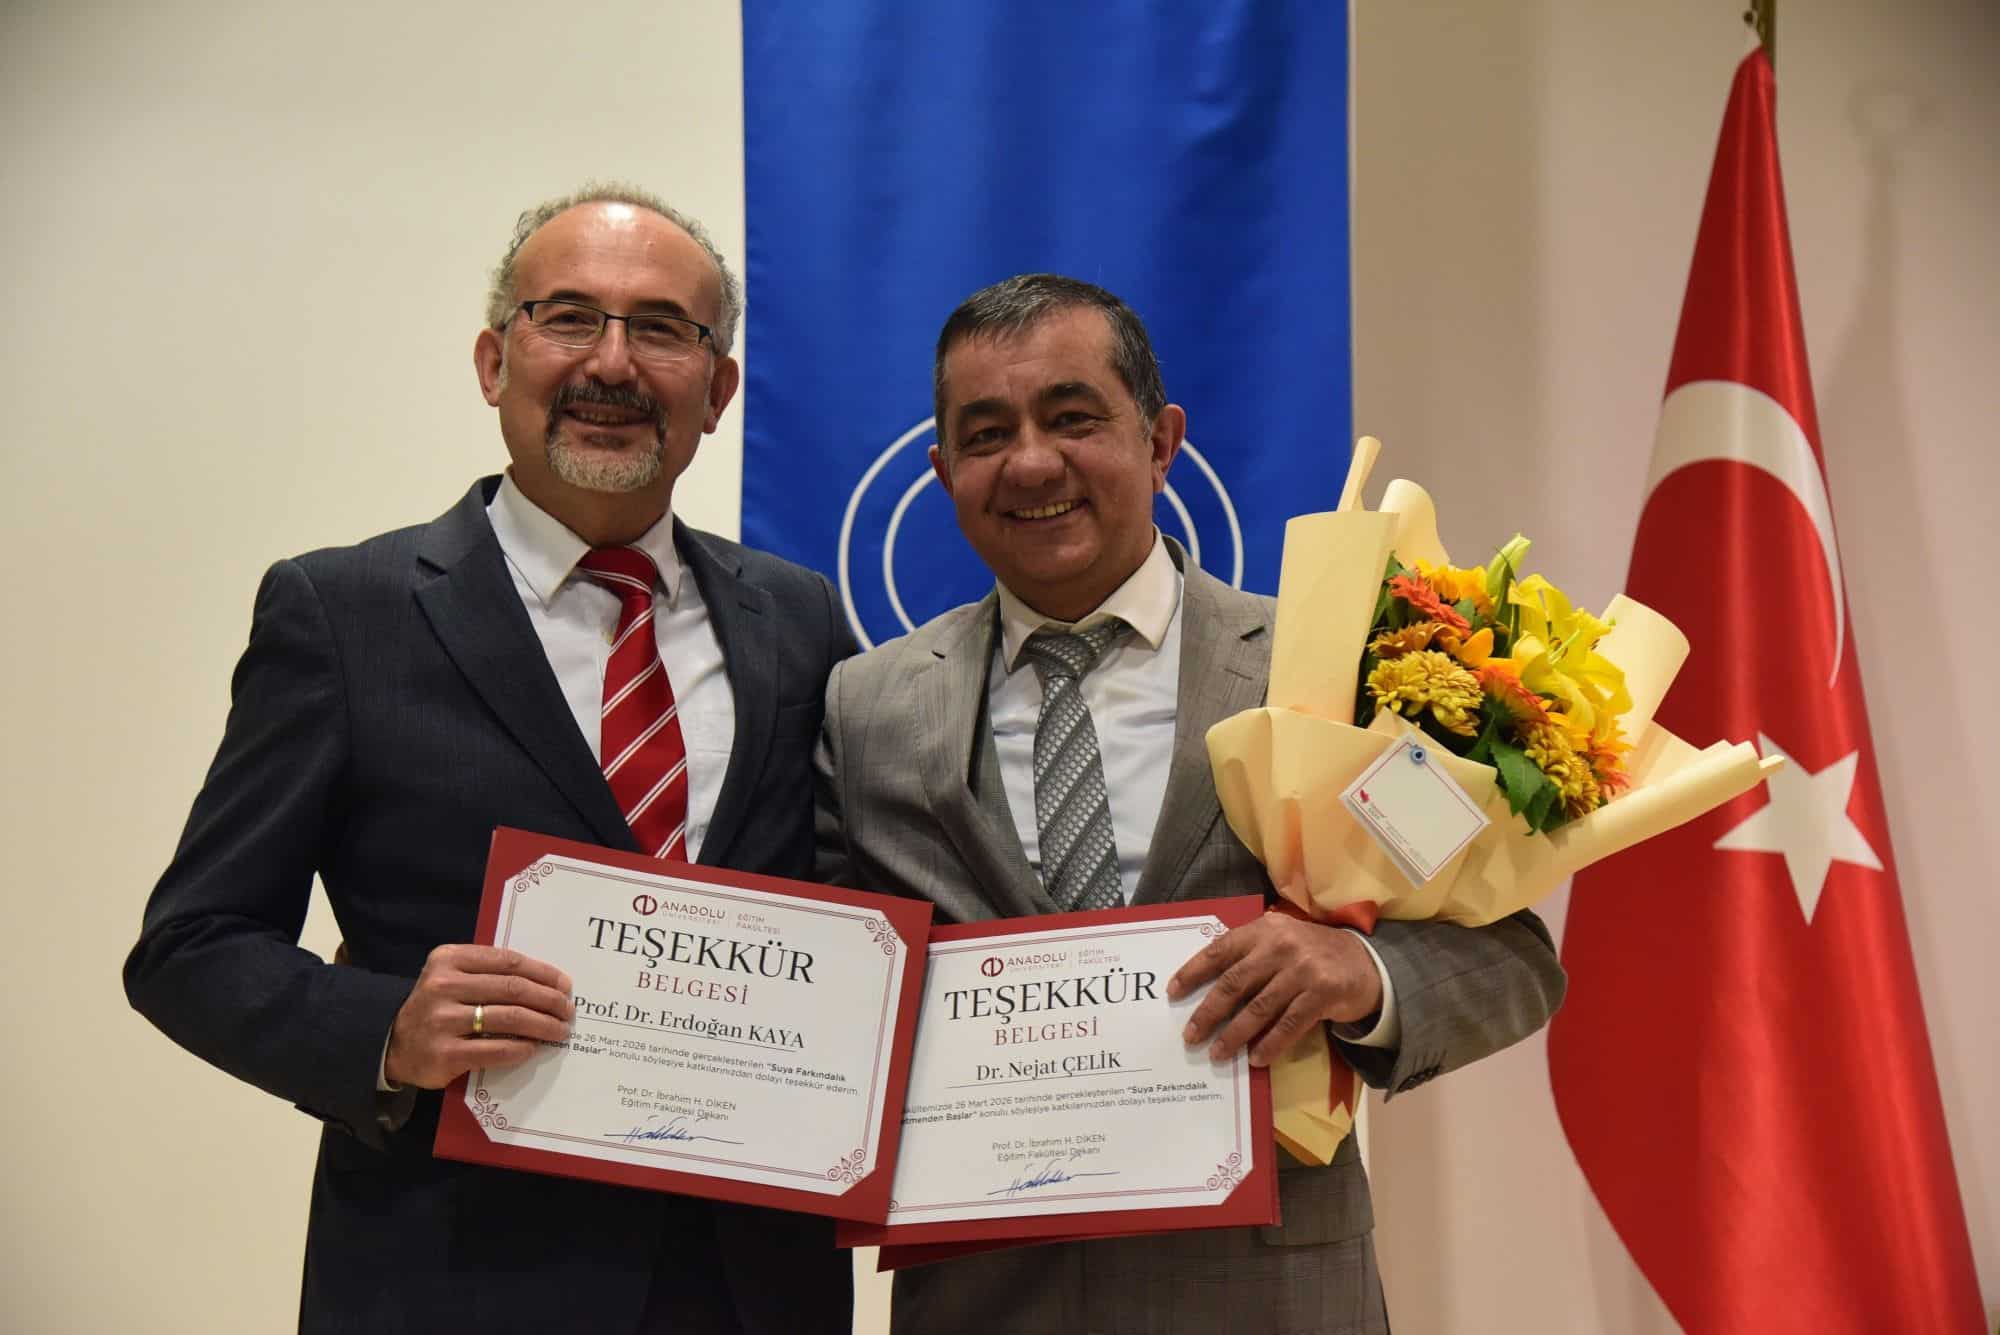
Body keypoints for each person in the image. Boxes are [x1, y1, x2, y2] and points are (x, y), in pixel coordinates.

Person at [125, 185, 857, 1333]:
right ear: (492, 361)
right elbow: (189, 947)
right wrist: (384, 1032)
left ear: (717, 392)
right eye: (567, 317)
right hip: (453, 1278)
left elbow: (853, 908)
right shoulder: (343, 614)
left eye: (661, 328)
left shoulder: (798, 618)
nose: (611, 362)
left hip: (750, 1287)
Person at [813, 274, 1567, 1334]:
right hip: (983, 1301)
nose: (1030, 462)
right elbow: (826, 994)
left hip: (1269, 1299)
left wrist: (1364, 973)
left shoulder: (1333, 669)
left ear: (1161, 441)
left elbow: (1514, 958)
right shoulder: (869, 707)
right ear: (943, 473)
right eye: (986, 435)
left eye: (1073, 418)